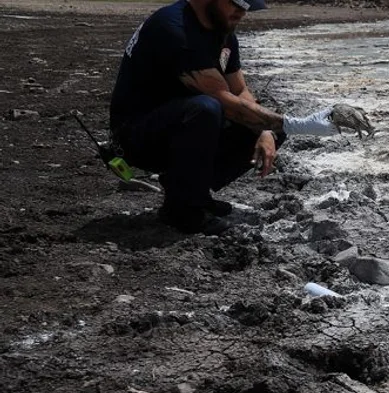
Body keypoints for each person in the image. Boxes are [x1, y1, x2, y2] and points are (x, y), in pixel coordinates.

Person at [109, 0, 340, 234]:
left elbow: (239, 91)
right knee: (207, 108)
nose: (243, 11)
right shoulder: (175, 28)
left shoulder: (222, 32)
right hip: (135, 136)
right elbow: (225, 101)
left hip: (178, 126)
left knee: (267, 131)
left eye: (248, 6)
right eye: (236, 3)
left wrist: (267, 131)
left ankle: (192, 191)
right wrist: (299, 125)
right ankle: (182, 209)